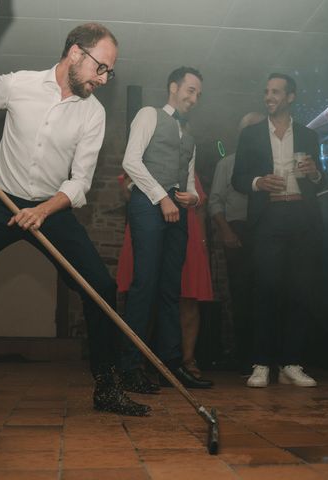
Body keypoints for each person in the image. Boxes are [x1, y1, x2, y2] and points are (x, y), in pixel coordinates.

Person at [0, 23, 151, 423]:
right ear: (75, 53)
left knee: (101, 287)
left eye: (109, 72)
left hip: (52, 209)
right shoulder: (18, 83)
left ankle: (107, 387)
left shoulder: (93, 114)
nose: (104, 79)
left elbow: (79, 181)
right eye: (102, 68)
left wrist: (42, 211)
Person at [119, 67, 212, 393]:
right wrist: (162, 198)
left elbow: (188, 180)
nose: (193, 98)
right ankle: (130, 368)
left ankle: (171, 367)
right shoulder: (149, 114)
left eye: (198, 94)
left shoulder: (189, 134)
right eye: (190, 90)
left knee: (171, 289)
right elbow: (131, 161)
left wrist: (193, 196)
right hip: (148, 203)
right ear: (173, 87)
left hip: (177, 207)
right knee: (144, 284)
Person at [231, 73, 322, 388]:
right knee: (266, 289)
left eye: (276, 92)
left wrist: (314, 174)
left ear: (291, 97)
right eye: (266, 91)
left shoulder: (309, 135)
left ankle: (291, 363)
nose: (269, 96)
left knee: (301, 291)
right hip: (268, 217)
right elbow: (238, 179)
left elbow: (321, 180)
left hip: (302, 217)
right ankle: (261, 364)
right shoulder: (252, 135)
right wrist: (259, 182)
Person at [116, 174, 214, 382]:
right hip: (147, 227)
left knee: (187, 297)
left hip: (188, 230)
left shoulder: (188, 160)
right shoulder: (141, 161)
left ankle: (186, 361)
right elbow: (126, 194)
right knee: (145, 295)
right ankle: (137, 361)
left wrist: (203, 239)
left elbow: (200, 207)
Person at [209, 112, 265, 376]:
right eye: (249, 128)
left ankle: (268, 357)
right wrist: (226, 232)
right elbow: (215, 202)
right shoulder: (228, 163)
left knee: (267, 295)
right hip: (238, 231)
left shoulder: (272, 163)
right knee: (241, 296)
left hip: (266, 233)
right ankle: (245, 359)